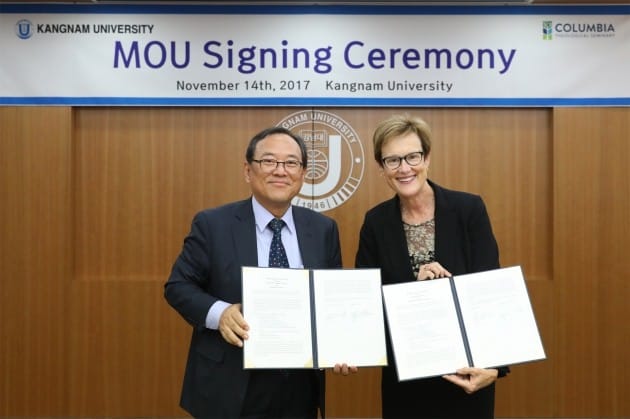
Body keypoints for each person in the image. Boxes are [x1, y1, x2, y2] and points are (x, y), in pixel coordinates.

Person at [165, 126, 343, 418]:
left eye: (290, 163)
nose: (280, 171)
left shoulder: (323, 229)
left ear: (303, 173)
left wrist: (341, 345)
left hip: (299, 386)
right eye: (269, 161)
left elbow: (331, 299)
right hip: (230, 384)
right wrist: (219, 313)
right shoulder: (213, 224)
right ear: (248, 170)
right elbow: (178, 286)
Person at [355, 114, 510, 419]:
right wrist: (416, 292)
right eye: (393, 160)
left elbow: (492, 292)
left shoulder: (468, 209)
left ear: (427, 158)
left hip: (468, 376)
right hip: (407, 383)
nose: (404, 168)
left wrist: (495, 368)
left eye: (413, 156)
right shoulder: (375, 223)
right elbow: (367, 302)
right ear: (381, 168)